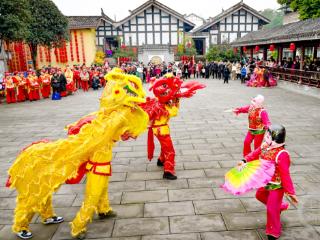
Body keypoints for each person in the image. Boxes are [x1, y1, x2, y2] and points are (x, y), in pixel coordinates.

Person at [6, 68, 149, 240]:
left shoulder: (107, 115)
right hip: (97, 161)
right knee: (48, 188)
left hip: (101, 159)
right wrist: (127, 114)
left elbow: (127, 128)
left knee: (92, 188)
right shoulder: (111, 118)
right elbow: (110, 131)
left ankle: (97, 210)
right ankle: (75, 225)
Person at [242, 124, 298, 240]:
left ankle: (273, 232)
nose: (265, 138)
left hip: (276, 186)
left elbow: (285, 175)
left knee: (271, 209)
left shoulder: (282, 155)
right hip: (265, 181)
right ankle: (280, 207)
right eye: (266, 136)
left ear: (276, 139)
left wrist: (290, 192)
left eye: (268, 136)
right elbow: (255, 153)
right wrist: (245, 159)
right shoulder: (265, 146)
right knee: (259, 195)